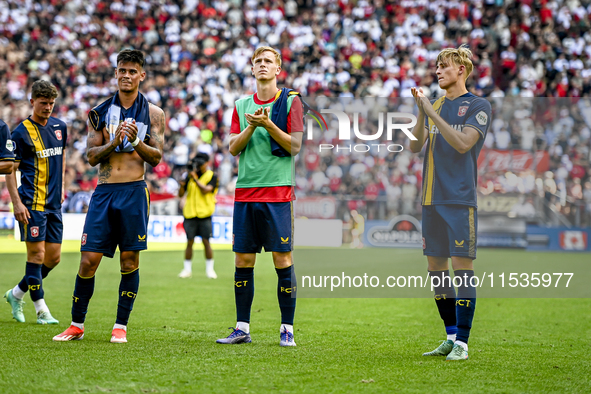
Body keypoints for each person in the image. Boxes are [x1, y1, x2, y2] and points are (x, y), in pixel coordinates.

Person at [53, 49, 165, 343]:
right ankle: (77, 325)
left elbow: (156, 158)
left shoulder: (154, 113)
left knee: (129, 261)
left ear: (142, 75)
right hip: (104, 192)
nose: (126, 75)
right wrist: (115, 140)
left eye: (132, 71)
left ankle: (120, 326)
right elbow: (91, 157)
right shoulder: (98, 112)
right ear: (115, 73)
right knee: (88, 260)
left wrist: (136, 141)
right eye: (122, 70)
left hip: (134, 191)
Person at [216, 46, 304, 347]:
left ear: (278, 69)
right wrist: (253, 126)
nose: (263, 65)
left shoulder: (290, 102)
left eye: (269, 61)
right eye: (258, 61)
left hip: (278, 192)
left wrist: (268, 124)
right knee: (243, 260)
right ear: (252, 69)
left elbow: (295, 146)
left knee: (282, 259)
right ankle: (242, 328)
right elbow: (232, 147)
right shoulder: (241, 106)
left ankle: (287, 328)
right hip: (245, 192)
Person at [410, 46, 491, 361]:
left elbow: (463, 144)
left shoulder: (477, 105)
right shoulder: (437, 104)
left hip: (459, 200)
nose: (438, 71)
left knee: (462, 270)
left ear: (461, 70)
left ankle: (464, 343)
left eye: (443, 66)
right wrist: (422, 112)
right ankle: (450, 336)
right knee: (436, 270)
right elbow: (415, 145)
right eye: (436, 66)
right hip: (430, 199)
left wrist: (431, 113)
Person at [4, 80, 66, 325]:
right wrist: (17, 204)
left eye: (51, 103)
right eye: (43, 103)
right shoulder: (20, 132)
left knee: (53, 258)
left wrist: (60, 188)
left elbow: (60, 160)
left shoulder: (60, 127)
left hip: (54, 205)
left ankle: (16, 293)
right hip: (32, 203)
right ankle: (41, 310)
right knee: (37, 255)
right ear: (32, 102)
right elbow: (10, 169)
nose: (48, 107)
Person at [178, 152, 219, 279]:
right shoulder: (189, 176)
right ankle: (187, 270)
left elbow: (206, 189)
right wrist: (182, 185)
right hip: (190, 213)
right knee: (189, 242)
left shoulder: (212, 176)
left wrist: (195, 178)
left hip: (204, 213)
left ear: (207, 163)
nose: (199, 166)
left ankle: (210, 270)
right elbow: (181, 194)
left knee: (206, 241)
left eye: (201, 163)